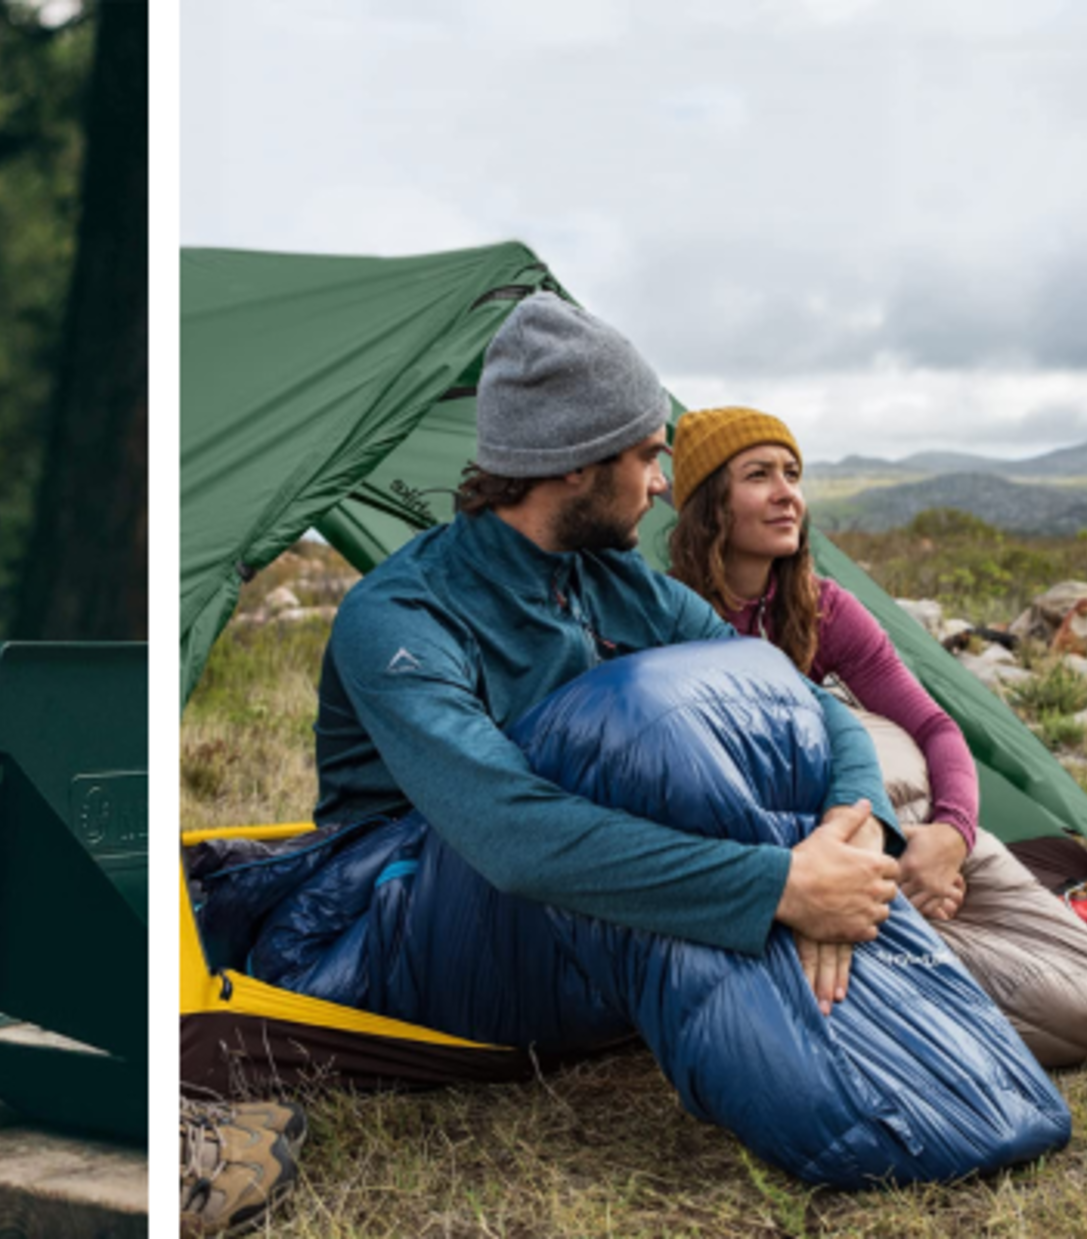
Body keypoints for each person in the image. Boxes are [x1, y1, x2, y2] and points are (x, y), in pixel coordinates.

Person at [314, 291, 902, 1019]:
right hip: (398, 913)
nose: (662, 485)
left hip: (561, 905)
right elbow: (511, 834)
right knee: (630, 716)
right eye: (649, 455)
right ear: (574, 464)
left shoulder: (614, 580)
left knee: (745, 729)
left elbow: (794, 697)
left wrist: (859, 821)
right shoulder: (400, 613)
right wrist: (780, 886)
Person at [666, 405, 1087, 1066]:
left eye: (792, 472)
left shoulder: (822, 607)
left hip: (912, 830)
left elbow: (935, 726)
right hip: (816, 862)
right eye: (757, 475)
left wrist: (949, 834)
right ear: (711, 504)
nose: (785, 492)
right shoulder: (670, 619)